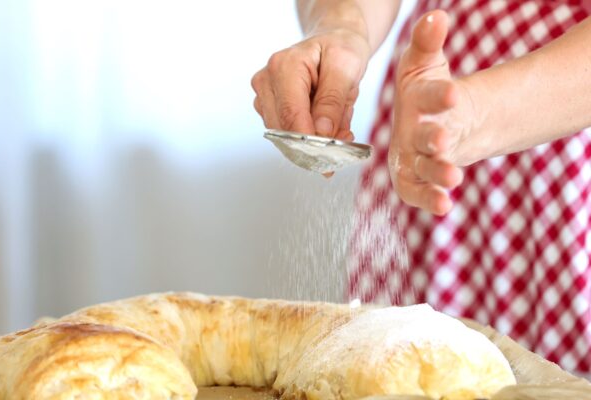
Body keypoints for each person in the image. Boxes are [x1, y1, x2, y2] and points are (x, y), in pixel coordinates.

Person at [251, 1, 591, 375]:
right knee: (410, 367)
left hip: (565, 133)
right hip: (424, 122)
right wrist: (344, 26)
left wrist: (479, 112)